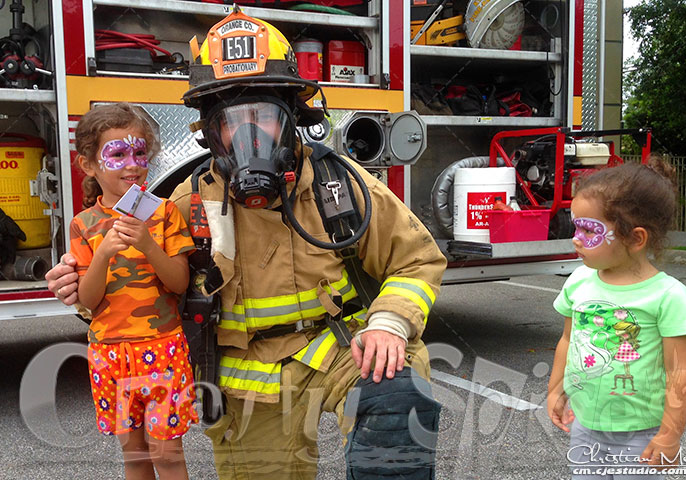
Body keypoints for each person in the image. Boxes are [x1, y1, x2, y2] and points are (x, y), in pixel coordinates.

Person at [47, 9, 447, 480]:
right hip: (249, 378)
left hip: (342, 348)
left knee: (395, 404)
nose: (249, 135)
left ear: (293, 117)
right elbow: (137, 289)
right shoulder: (185, 202)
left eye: (264, 117)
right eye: (232, 121)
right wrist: (77, 285)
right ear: (210, 131)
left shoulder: (339, 184)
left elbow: (416, 258)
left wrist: (388, 324)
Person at [546, 156, 686, 479]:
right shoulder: (578, 282)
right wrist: (555, 388)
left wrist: (670, 435)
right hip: (586, 427)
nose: (576, 238)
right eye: (575, 225)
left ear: (636, 238)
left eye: (589, 230)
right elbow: (567, 339)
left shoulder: (668, 297)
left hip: (642, 437)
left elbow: (681, 372)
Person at [69, 103, 198, 479]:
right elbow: (87, 300)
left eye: (140, 152)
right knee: (135, 456)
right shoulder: (84, 225)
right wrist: (104, 253)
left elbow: (178, 282)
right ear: (89, 166)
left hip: (161, 349)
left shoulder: (163, 213)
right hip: (110, 354)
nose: (132, 164)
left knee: (168, 454)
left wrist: (148, 245)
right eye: (118, 154)